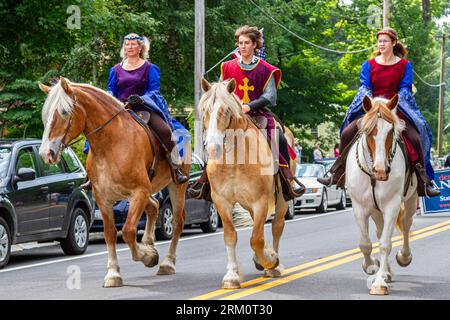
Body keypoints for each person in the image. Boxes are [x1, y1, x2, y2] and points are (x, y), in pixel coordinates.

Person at [317, 27, 440, 197]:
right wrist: (374, 104)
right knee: (346, 132)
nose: (381, 44)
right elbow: (365, 87)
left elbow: (405, 89)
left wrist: (391, 105)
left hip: (396, 109)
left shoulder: (405, 65)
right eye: (379, 41)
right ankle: (337, 172)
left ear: (394, 43)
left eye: (385, 41)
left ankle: (423, 180)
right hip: (373, 110)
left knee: (416, 137)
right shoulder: (369, 64)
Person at [188, 25, 305, 200]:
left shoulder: (266, 68)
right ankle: (206, 179)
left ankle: (286, 178)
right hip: (231, 114)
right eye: (240, 43)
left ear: (255, 45)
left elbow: (270, 96)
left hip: (258, 113)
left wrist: (249, 106)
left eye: (246, 43)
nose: (242, 46)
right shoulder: (227, 66)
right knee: (213, 136)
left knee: (278, 135)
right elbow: (220, 89)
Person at [81, 33, 188, 190]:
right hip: (119, 110)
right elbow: (111, 91)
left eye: (133, 44)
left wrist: (141, 98)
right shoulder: (115, 70)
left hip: (143, 108)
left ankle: (176, 168)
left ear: (140, 48)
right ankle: (91, 174)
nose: (129, 47)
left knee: (164, 131)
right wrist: (111, 101)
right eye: (127, 44)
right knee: (95, 134)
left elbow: (154, 91)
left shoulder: (150, 68)